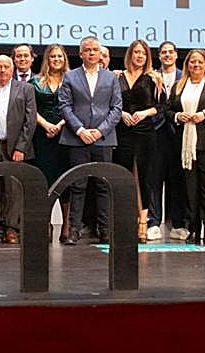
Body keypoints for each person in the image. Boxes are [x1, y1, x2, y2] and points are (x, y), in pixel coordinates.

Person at [58, 36, 122, 244]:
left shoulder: (111, 77)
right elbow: (65, 106)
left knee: (103, 185)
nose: (92, 53)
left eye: (95, 49)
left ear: (100, 53)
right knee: (78, 185)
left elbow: (116, 108)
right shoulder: (70, 76)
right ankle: (74, 230)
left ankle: (105, 230)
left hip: (103, 139)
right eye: (87, 50)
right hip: (77, 139)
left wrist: (100, 131)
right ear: (81, 54)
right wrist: (80, 130)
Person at [165, 49, 205, 242]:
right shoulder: (178, 86)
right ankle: (193, 227)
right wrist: (178, 116)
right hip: (185, 145)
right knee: (189, 189)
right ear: (187, 65)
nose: (196, 65)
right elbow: (168, 111)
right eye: (192, 62)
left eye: (200, 62)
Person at [0, 55, 37, 243]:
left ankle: (12, 229)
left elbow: (30, 121)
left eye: (6, 66)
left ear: (12, 69)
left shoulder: (26, 89)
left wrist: (21, 147)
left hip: (14, 147)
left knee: (14, 188)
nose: (3, 70)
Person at [113, 39, 163, 241]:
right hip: (123, 132)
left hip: (145, 132)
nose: (140, 56)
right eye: (136, 52)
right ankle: (127, 220)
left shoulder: (153, 78)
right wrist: (121, 114)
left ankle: (143, 220)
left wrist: (144, 113)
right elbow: (110, 104)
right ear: (130, 55)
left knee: (145, 176)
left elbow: (162, 106)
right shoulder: (117, 77)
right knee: (124, 175)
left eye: (143, 53)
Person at [148, 41, 187, 241]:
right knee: (154, 179)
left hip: (179, 133)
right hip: (156, 132)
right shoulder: (151, 76)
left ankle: (178, 224)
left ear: (176, 55)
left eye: (171, 52)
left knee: (177, 180)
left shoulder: (185, 76)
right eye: (164, 52)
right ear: (159, 56)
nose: (167, 55)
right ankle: (153, 223)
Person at [31, 43, 70, 236]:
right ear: (47, 59)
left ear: (64, 59)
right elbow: (31, 108)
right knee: (44, 179)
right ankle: (44, 223)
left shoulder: (72, 80)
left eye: (59, 56)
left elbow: (75, 107)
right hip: (42, 135)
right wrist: (46, 125)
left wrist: (60, 124)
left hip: (66, 135)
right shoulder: (35, 81)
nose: (56, 59)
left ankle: (66, 225)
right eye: (53, 56)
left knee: (65, 179)